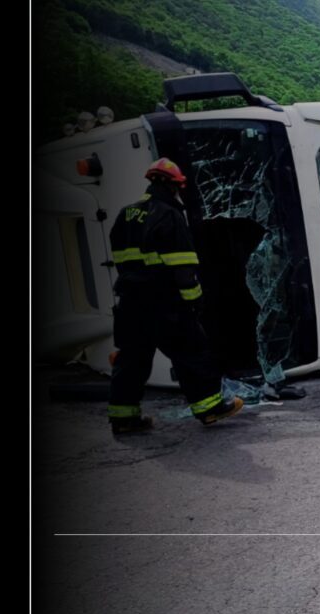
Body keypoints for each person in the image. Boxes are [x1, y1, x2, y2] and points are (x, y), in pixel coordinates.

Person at [107, 158, 243, 435]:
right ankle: (209, 408)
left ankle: (123, 418)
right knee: (192, 352)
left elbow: (122, 261)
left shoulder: (125, 214)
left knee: (131, 360)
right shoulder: (169, 214)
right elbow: (182, 267)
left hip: (131, 303)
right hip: (164, 302)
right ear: (173, 186)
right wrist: (194, 300)